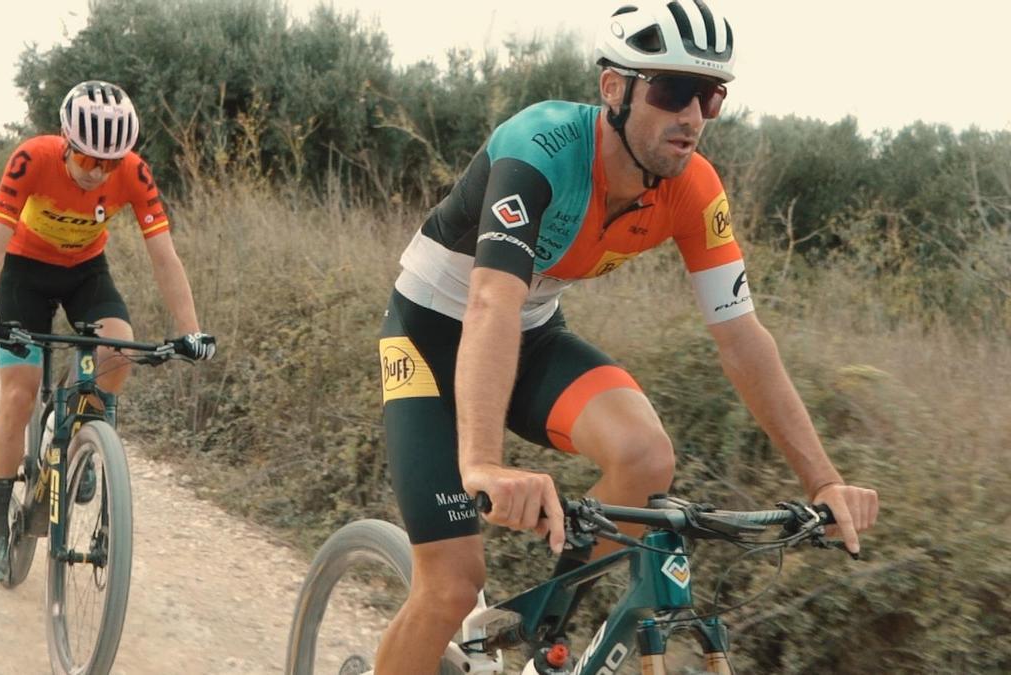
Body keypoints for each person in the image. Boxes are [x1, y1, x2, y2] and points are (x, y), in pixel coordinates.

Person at [374, 0, 879, 670]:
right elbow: (491, 300)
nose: (692, 116)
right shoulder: (541, 147)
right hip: (432, 336)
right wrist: (485, 463)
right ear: (614, 88)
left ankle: (540, 632)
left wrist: (823, 480)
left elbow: (742, 336)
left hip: (530, 332)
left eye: (710, 95)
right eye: (672, 90)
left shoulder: (694, 188)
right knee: (449, 585)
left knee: (644, 454)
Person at [0, 80, 213, 583]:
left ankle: (80, 435)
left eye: (109, 162)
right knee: (19, 394)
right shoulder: (32, 159)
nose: (98, 171)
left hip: (85, 275)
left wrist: (191, 331)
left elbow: (165, 256)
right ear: (67, 144)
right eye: (89, 159)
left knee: (117, 348)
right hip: (24, 274)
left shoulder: (134, 173)